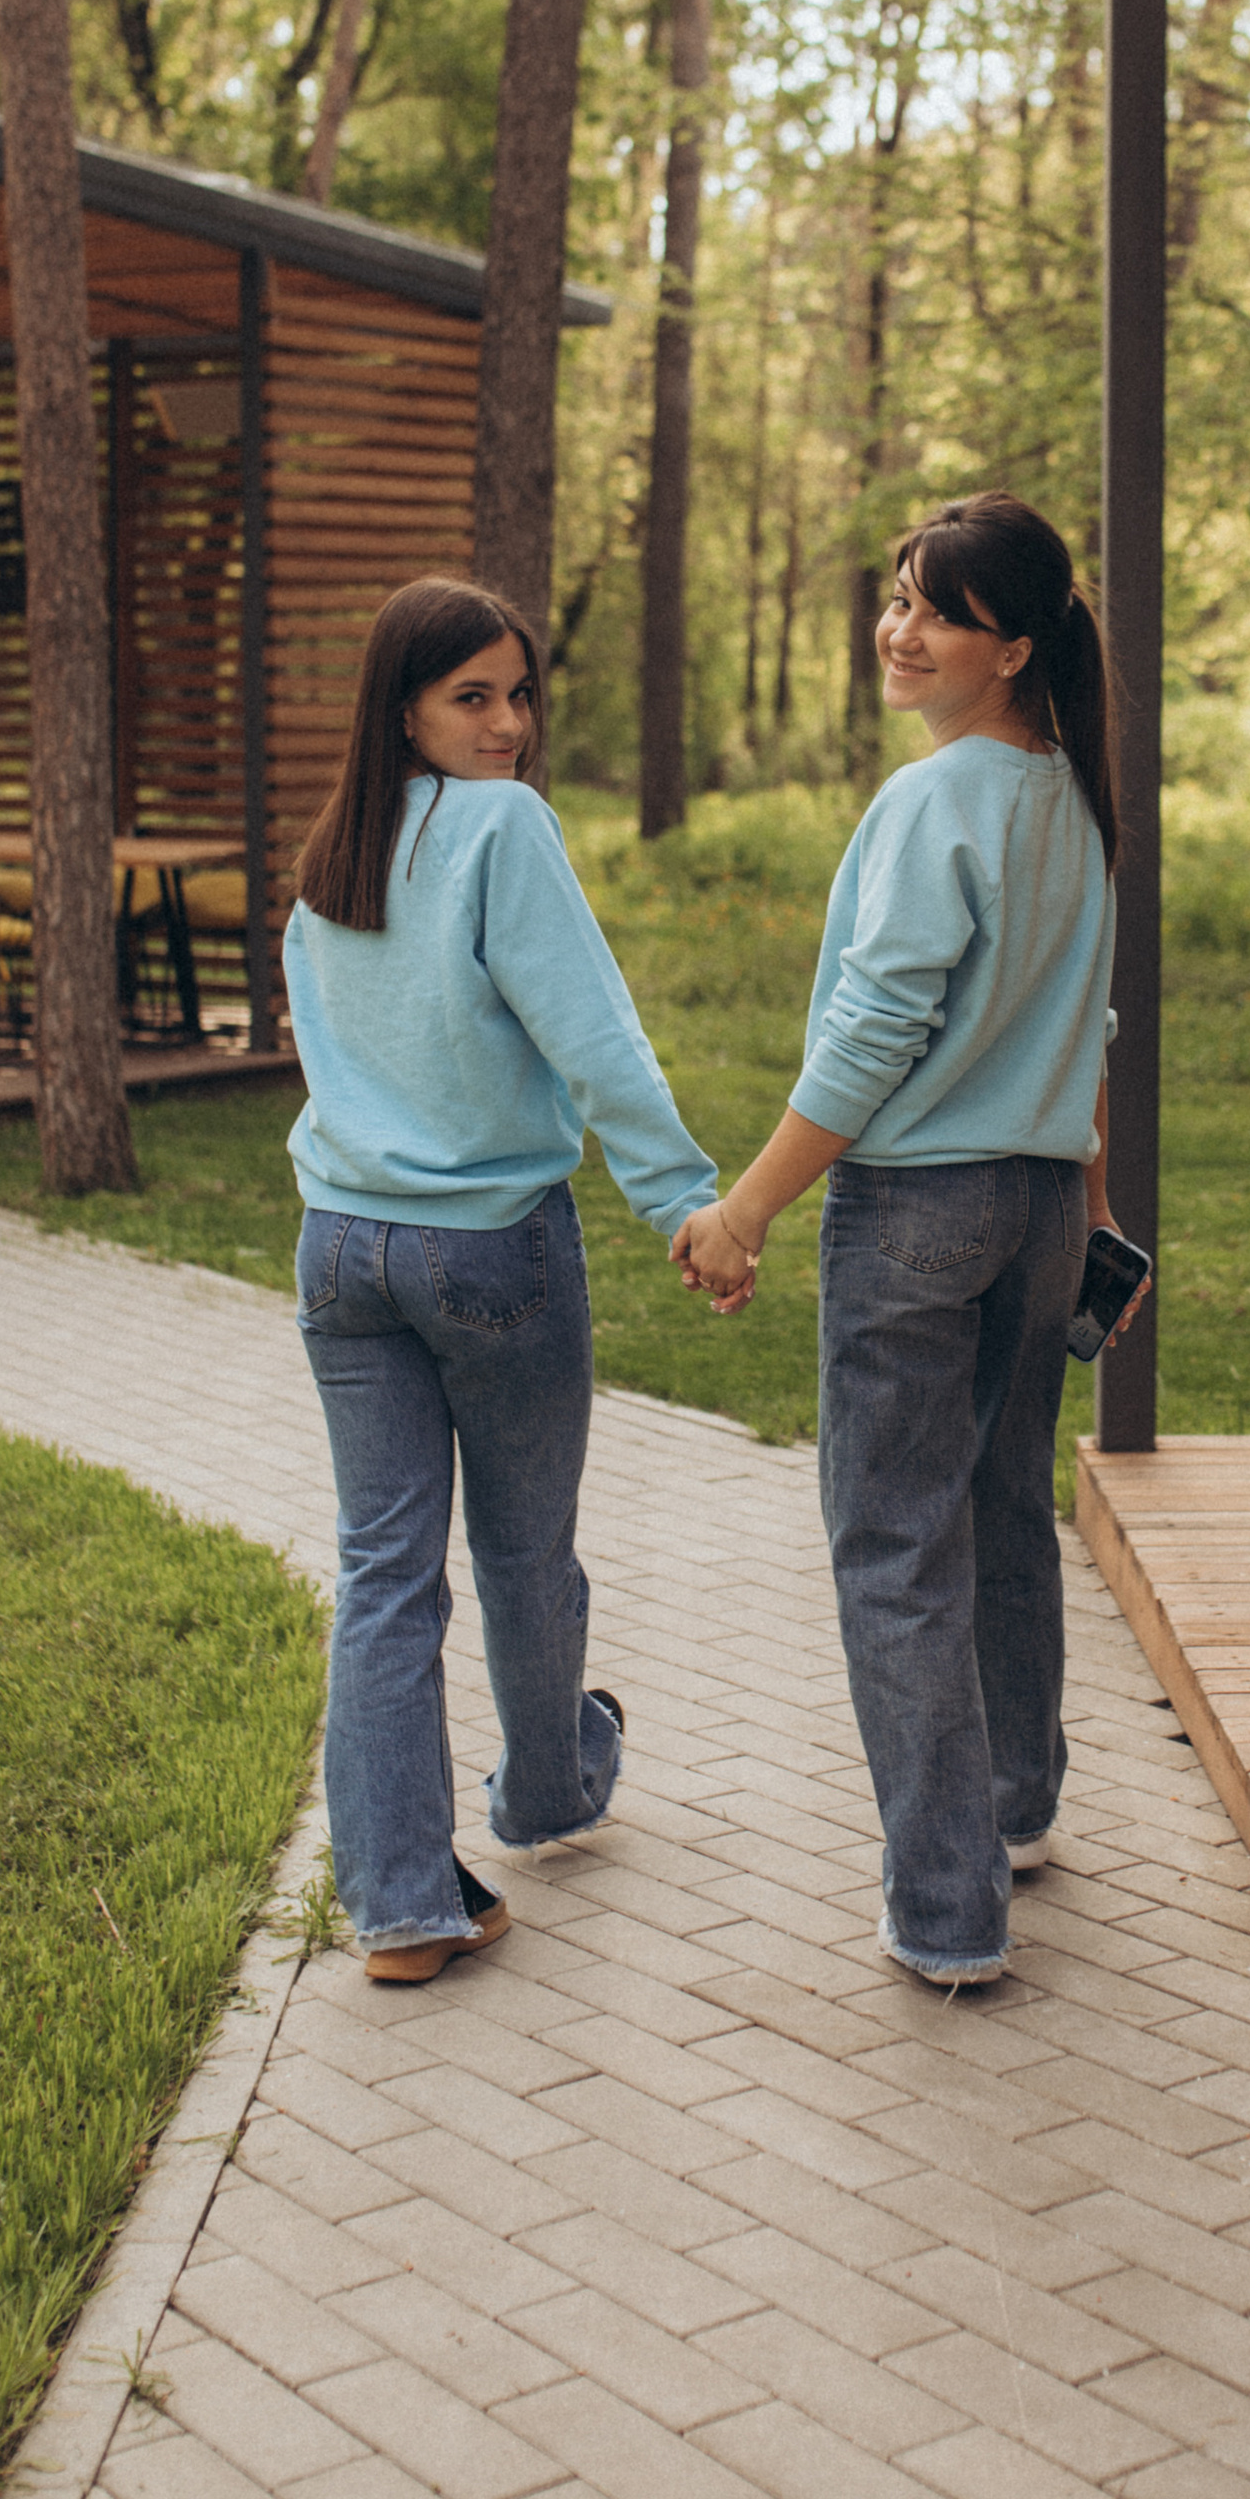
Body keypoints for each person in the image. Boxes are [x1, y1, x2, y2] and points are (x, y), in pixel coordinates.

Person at [676, 493, 1120, 1989]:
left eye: (934, 609)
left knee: (895, 1546)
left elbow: (876, 1035)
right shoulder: (1069, 794)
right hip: (1043, 1206)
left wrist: (746, 1207)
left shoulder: (935, 804)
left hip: (925, 1209)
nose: (899, 630)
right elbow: (1083, 1029)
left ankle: (947, 1911)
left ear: (1011, 646)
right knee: (1001, 1511)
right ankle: (1014, 1812)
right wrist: (1097, 1201)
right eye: (894, 596)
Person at [285, 575, 742, 1984]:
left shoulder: (333, 855)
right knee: (523, 1549)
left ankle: (406, 1908)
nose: (508, 725)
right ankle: (548, 1790)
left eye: (518, 694)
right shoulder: (503, 829)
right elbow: (595, 1035)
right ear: (404, 707)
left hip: (341, 1250)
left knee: (382, 1575)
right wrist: (685, 1199)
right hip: (488, 1248)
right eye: (470, 697)